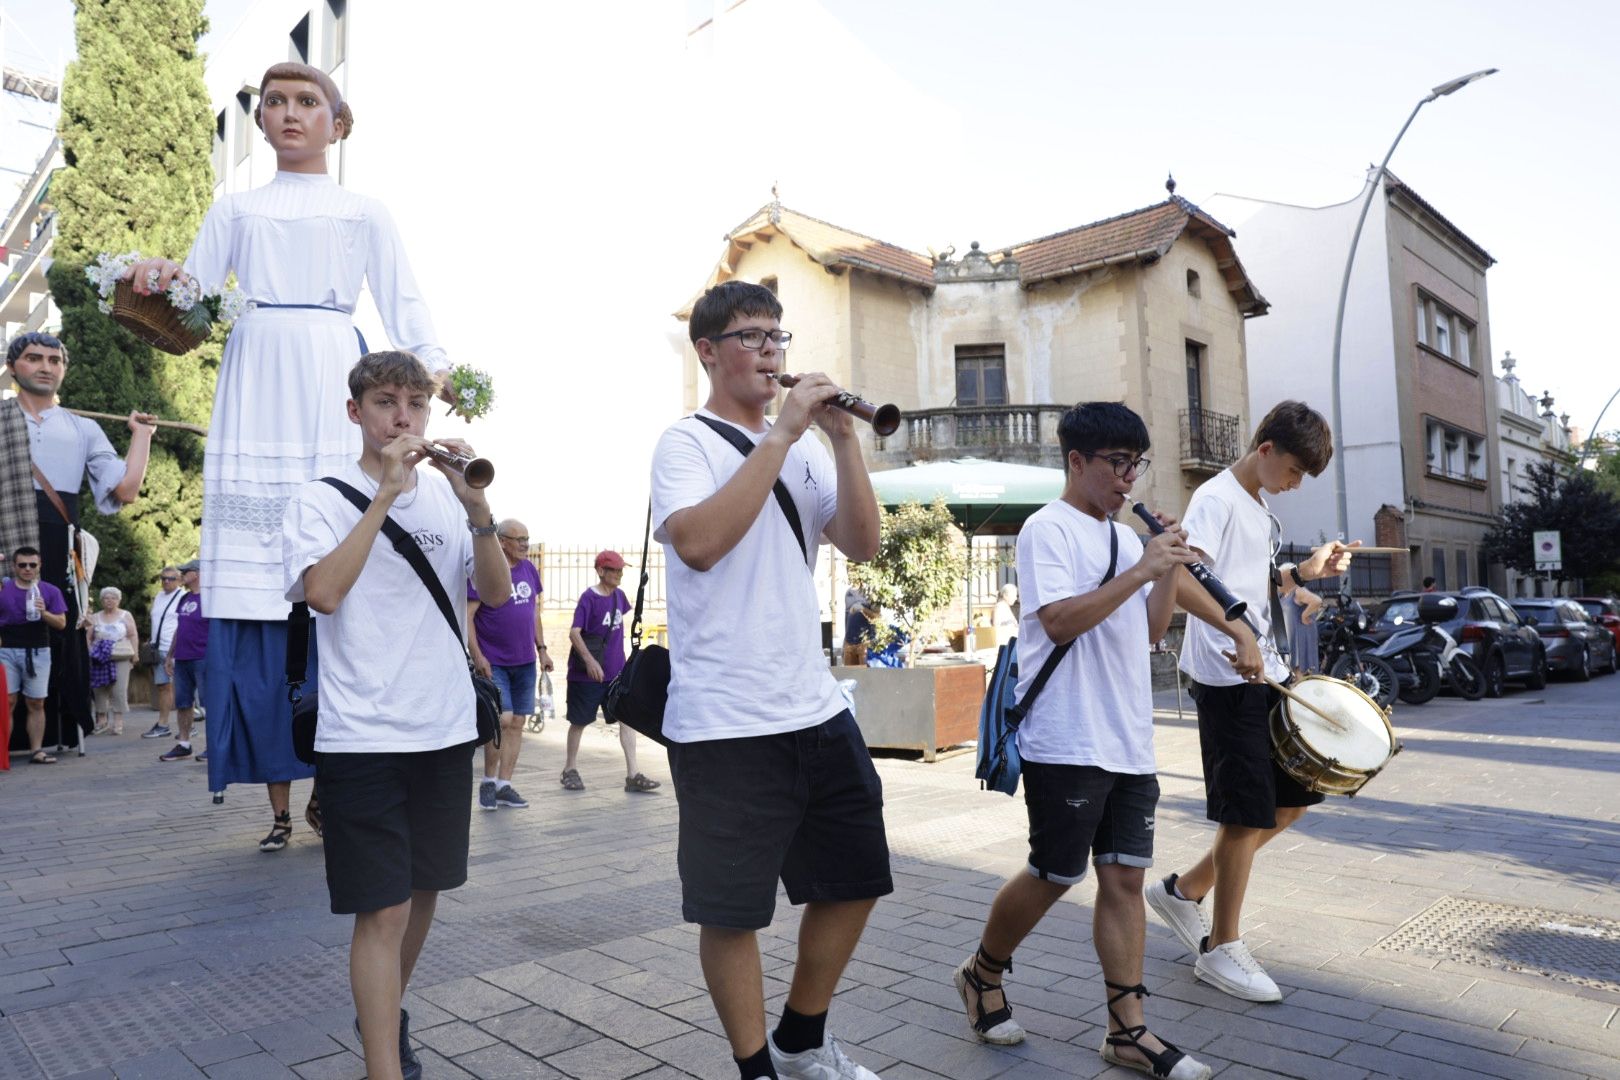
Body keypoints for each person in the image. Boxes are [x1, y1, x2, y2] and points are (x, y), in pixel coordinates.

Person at [126, 62, 456, 847]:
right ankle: (282, 778)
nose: (289, 113)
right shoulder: (234, 204)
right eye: (275, 102)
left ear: (338, 124)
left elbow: (405, 301)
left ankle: (342, 767)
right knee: (262, 566)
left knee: (341, 518)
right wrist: (156, 276)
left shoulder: (363, 210)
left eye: (308, 101)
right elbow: (195, 303)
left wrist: (438, 367)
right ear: (264, 121)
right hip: (257, 367)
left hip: (331, 358)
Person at [653, 281, 887, 1080]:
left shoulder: (812, 448)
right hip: (724, 721)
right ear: (709, 352)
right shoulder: (684, 444)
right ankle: (755, 1068)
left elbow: (863, 545)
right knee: (733, 911)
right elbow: (700, 544)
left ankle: (800, 1037)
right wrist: (781, 437)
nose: (770, 352)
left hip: (815, 707)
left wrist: (845, 441)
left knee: (857, 878)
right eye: (751, 338)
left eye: (777, 338)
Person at [950, 403, 1209, 1080]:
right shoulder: (1047, 529)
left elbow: (1150, 633)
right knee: (1056, 872)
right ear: (1076, 462)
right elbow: (1061, 622)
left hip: (1127, 735)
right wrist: (1142, 569)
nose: (1129, 479)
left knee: (1125, 878)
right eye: (1117, 463)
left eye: (1136, 463)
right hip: (1066, 737)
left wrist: (1169, 568)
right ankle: (982, 974)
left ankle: (1129, 1031)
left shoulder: (1131, 542)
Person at [282, 350, 508, 1080]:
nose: (404, 416)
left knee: (421, 895)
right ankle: (384, 1067)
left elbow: (498, 596)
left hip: (444, 728)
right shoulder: (319, 498)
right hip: (363, 734)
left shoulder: (447, 495)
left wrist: (478, 510)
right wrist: (382, 495)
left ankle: (384, 1011)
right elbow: (322, 593)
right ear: (357, 412)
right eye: (386, 402)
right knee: (379, 912)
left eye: (415, 403)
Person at [1145, 401, 1356, 1003]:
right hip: (1225, 676)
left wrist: (1305, 576)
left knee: (1290, 804)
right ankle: (1221, 948)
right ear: (1266, 451)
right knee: (1244, 815)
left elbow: (1251, 579)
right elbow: (1185, 580)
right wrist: (1236, 634)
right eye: (1293, 472)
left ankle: (1183, 892)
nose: (1293, 485)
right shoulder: (1214, 499)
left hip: (1267, 671)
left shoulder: (1258, 509)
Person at [3, 331, 155, 755]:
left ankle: (58, 733)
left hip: (59, 540)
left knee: (60, 632)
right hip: (4, 537)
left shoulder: (82, 428)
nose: (46, 366)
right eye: (34, 358)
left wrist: (140, 436)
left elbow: (124, 490)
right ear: (14, 367)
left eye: (54, 360)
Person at [467, 518, 551, 811]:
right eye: (520, 539)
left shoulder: (529, 569)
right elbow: (468, 616)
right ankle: (488, 781)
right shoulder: (486, 569)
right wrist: (477, 655)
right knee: (501, 721)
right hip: (495, 662)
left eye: (527, 539)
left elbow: (534, 613)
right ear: (502, 541)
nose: (526, 545)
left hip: (525, 661)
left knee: (517, 723)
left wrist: (542, 650)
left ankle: (505, 785)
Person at [562, 550, 652, 792]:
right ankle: (569, 769)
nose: (620, 574)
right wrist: (590, 662)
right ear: (601, 571)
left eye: (621, 570)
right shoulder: (588, 599)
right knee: (579, 721)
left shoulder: (619, 597)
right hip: (586, 675)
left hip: (615, 673)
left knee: (627, 719)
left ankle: (633, 773)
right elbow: (574, 632)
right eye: (615, 570)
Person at [1, 546, 69, 763]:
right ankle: (3, 752)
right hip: (8, 650)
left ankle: (37, 750)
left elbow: (61, 623)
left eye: (32, 565)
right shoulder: (4, 589)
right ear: (14, 566)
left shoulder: (49, 591)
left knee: (36, 702)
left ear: (39, 565)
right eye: (23, 565)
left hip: (39, 649)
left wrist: (43, 613)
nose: (28, 569)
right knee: (7, 701)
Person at [159, 561, 211, 767]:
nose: (181, 574)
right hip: (182, 658)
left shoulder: (210, 599)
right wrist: (170, 655)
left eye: (185, 571)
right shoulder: (185, 598)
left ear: (197, 574)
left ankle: (213, 746)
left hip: (203, 657)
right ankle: (184, 744)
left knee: (210, 704)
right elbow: (180, 628)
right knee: (182, 703)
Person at [85, 586, 139, 736]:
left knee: (119, 688)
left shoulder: (125, 615)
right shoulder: (95, 617)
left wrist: (135, 654)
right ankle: (101, 720)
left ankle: (118, 720)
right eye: (106, 598)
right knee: (99, 688)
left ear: (119, 600)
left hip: (121, 655)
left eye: (113, 598)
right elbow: (88, 637)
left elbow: (133, 634)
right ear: (101, 600)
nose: (110, 601)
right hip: (99, 656)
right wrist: (90, 653)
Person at [145, 567, 184, 738]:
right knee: (162, 687)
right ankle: (163, 724)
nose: (166, 581)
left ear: (179, 580)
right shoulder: (159, 596)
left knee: (183, 687)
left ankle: (188, 726)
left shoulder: (183, 597)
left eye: (171, 578)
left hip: (176, 648)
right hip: (158, 648)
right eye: (163, 578)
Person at [991, 583, 1019, 649]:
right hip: (1004, 645)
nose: (1015, 598)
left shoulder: (1005, 606)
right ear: (1005, 595)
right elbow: (997, 627)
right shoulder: (1000, 607)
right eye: (1014, 595)